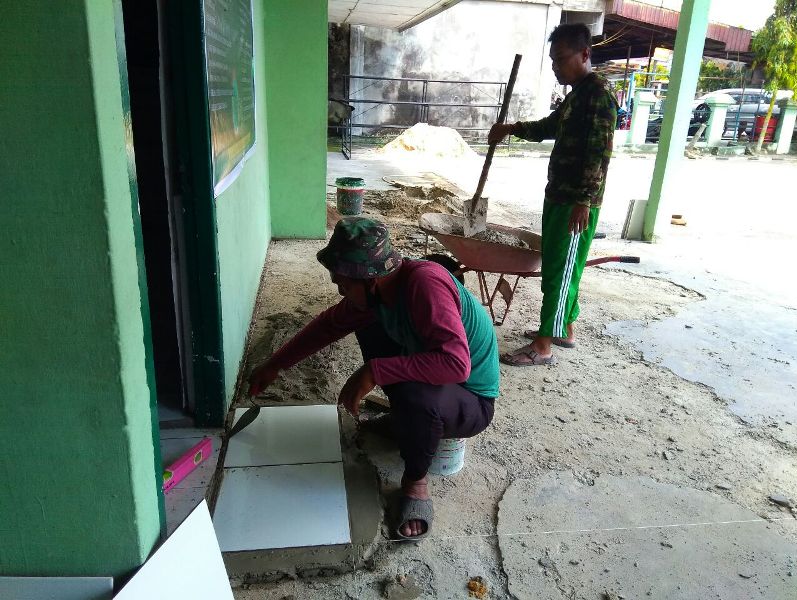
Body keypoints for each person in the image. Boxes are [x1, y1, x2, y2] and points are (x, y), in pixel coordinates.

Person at [248, 217, 500, 541]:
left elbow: (455, 365)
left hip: (471, 399)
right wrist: (274, 365)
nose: (339, 288)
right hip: (438, 378)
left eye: (344, 283)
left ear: (371, 278)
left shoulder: (425, 285)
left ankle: (415, 483)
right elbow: (329, 326)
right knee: (369, 326)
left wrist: (375, 371)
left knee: (414, 392)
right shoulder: (377, 293)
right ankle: (405, 422)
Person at [488, 23, 618, 366]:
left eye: (561, 59)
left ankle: (543, 346)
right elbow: (548, 127)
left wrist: (584, 201)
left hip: (576, 201)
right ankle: (564, 329)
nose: (556, 67)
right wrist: (511, 129)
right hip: (559, 196)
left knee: (561, 271)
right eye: (552, 60)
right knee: (561, 267)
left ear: (585, 54)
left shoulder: (599, 94)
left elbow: (599, 153)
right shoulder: (577, 95)